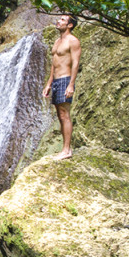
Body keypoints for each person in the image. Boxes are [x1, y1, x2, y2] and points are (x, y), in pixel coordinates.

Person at [42, 14, 80, 160]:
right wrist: (49, 84)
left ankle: (67, 150)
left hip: (65, 79)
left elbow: (75, 63)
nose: (59, 21)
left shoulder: (73, 41)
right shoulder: (58, 41)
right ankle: (64, 149)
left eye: (63, 20)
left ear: (70, 25)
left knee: (65, 114)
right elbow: (54, 63)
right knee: (60, 115)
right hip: (56, 81)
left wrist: (71, 84)